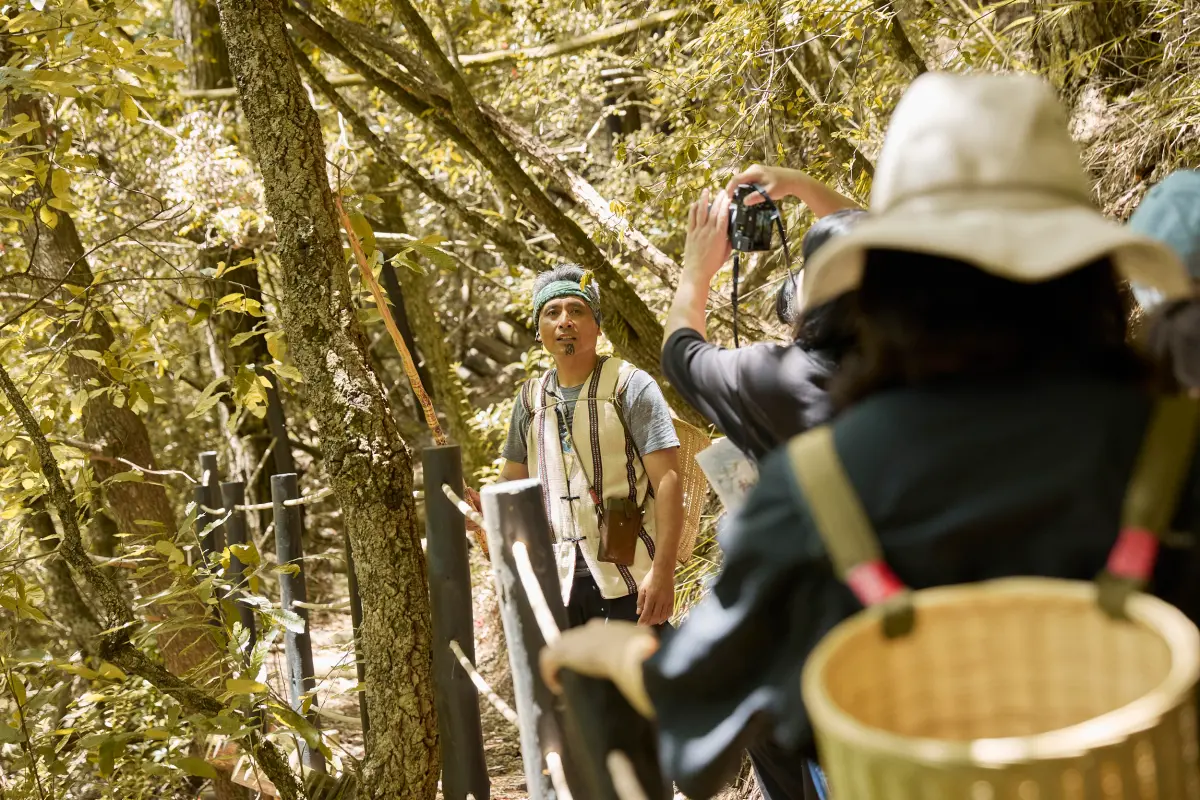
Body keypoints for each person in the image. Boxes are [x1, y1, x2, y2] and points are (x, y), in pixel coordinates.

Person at [540, 71, 1198, 799]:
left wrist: (611, 651)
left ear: (887, 287)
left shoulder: (823, 486)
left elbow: (690, 712)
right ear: (1090, 273)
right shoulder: (1175, 446)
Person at [471, 263, 683, 628]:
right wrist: (480, 506)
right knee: (576, 687)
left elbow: (668, 482)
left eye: (577, 310)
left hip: (631, 579)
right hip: (557, 580)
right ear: (539, 331)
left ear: (597, 326)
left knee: (643, 683)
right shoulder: (530, 400)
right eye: (551, 313)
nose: (564, 321)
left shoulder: (629, 386)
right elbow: (512, 481)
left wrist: (663, 572)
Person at [662, 170, 864, 461]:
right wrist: (799, 183)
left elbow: (679, 353)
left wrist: (695, 269)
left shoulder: (781, 380)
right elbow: (887, 249)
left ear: (813, 300)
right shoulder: (920, 338)